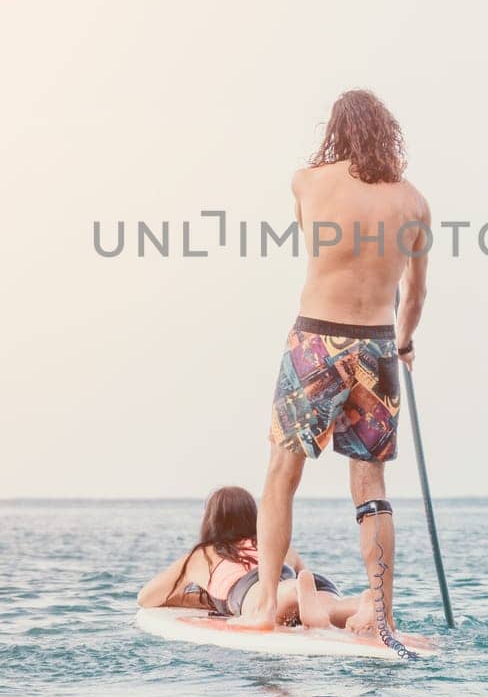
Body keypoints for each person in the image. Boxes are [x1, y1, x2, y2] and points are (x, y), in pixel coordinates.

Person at [230, 89, 430, 653]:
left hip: (316, 341)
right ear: (388, 133)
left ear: (335, 131)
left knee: (281, 473)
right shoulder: (414, 203)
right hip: (377, 348)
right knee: (370, 486)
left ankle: (267, 605)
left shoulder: (308, 182)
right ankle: (381, 615)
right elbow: (414, 295)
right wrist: (406, 343)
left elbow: (314, 243)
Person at [136, 486, 361, 629]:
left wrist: (187, 599)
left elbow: (147, 598)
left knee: (278, 596)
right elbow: (303, 571)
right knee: (328, 607)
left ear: (211, 521)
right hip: (300, 578)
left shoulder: (204, 553)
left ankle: (296, 592)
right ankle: (361, 605)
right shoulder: (270, 544)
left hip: (253, 586)